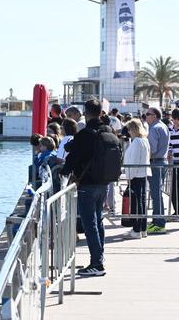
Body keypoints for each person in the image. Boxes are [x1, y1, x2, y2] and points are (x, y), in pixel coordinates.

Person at [61, 99, 122, 277]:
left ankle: (96, 264)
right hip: (104, 182)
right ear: (101, 112)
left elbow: (73, 158)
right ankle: (99, 258)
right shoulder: (108, 130)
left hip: (87, 184)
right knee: (98, 220)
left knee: (90, 224)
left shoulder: (86, 133)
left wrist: (65, 171)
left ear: (86, 113)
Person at [123, 118, 150, 239]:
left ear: (133, 129)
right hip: (142, 175)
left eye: (129, 129)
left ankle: (137, 229)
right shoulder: (144, 140)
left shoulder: (137, 142)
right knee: (142, 203)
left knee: (137, 204)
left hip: (136, 175)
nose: (128, 132)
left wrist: (129, 176)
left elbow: (134, 161)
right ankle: (142, 228)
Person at [144, 107, 170, 234]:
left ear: (154, 116)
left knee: (155, 194)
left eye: (147, 114)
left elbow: (152, 149)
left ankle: (159, 223)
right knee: (157, 193)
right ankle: (158, 220)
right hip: (162, 161)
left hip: (155, 162)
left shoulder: (154, 129)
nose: (146, 116)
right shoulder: (163, 126)